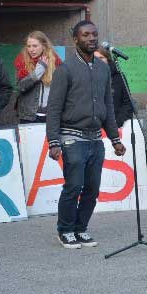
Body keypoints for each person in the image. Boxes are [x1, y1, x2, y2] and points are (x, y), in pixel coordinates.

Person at [47, 20, 126, 249]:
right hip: (72, 137)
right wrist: (54, 141)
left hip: (96, 138)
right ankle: (65, 230)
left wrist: (115, 139)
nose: (91, 38)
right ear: (75, 39)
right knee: (74, 185)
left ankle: (81, 228)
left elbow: (108, 106)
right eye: (85, 35)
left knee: (92, 188)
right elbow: (54, 108)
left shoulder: (103, 69)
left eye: (94, 34)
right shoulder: (65, 70)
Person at [14, 31, 62, 124]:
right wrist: (39, 70)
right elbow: (21, 87)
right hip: (29, 116)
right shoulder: (22, 61)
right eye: (29, 46)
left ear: (44, 46)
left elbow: (61, 89)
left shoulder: (56, 62)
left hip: (51, 116)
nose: (31, 50)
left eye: (35, 46)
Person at [94, 47, 136, 128]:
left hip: (116, 126)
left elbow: (127, 103)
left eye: (101, 58)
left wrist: (117, 122)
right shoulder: (86, 77)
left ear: (107, 59)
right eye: (95, 58)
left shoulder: (119, 77)